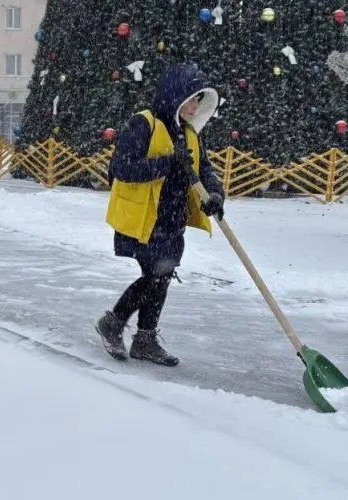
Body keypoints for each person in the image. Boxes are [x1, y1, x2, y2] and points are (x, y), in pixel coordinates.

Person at [95, 63, 225, 367]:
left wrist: (215, 194)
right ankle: (115, 324)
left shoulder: (190, 133)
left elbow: (203, 169)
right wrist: (165, 163)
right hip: (143, 220)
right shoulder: (144, 124)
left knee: (161, 277)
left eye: (198, 101)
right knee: (157, 274)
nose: (194, 107)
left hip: (172, 221)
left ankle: (143, 339)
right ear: (175, 95)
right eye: (190, 99)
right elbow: (120, 169)